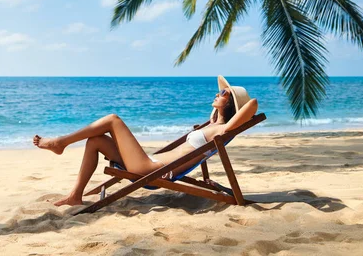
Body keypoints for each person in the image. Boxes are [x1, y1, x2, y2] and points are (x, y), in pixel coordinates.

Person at [33, 76, 258, 206]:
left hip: (152, 170)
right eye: (220, 91)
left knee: (113, 119)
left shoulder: (222, 130)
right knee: (95, 141)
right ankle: (75, 196)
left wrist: (233, 103)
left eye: (223, 93)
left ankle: (60, 142)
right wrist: (219, 110)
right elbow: (221, 116)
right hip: (150, 162)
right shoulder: (212, 125)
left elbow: (253, 105)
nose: (218, 93)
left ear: (231, 106)